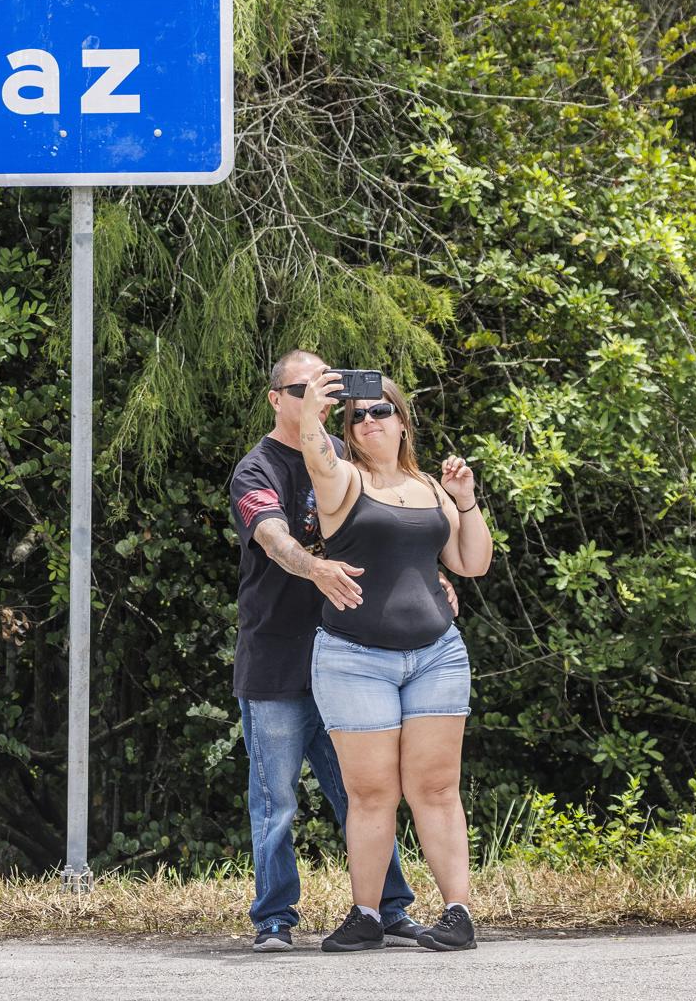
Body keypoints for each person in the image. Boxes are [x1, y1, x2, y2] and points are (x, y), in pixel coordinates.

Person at [228, 349, 434, 953]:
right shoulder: (256, 468)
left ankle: (388, 909)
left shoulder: (349, 458)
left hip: (351, 655)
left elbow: (403, 522)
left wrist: (433, 576)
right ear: (276, 399)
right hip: (278, 654)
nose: (316, 398)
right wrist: (315, 567)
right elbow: (271, 537)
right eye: (302, 389)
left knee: (364, 793)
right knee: (277, 799)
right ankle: (274, 919)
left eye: (326, 387)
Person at [296, 372, 492, 954]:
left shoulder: (431, 487)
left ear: (402, 419)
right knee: (373, 792)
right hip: (354, 659)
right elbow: (315, 453)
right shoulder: (343, 482)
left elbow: (471, 563)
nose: (368, 423)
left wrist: (465, 499)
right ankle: (367, 915)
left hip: (436, 655)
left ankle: (457, 915)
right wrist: (313, 412)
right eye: (356, 416)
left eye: (379, 411)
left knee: (435, 788)